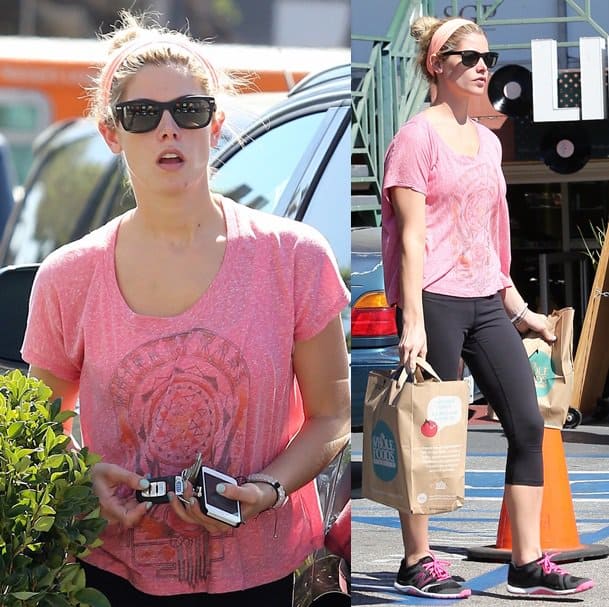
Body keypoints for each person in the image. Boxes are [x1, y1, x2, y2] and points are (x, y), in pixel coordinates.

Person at [21, 10, 350, 606]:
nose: (167, 130)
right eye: (142, 116)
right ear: (111, 134)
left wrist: (268, 490)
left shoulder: (293, 257)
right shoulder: (69, 276)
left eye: (188, 111)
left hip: (270, 576)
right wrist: (83, 476)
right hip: (115, 576)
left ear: (216, 124)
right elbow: (38, 427)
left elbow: (331, 417)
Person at [381, 16, 594, 599]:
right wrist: (414, 321)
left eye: (488, 56)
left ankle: (527, 562)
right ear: (436, 64)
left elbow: (491, 236)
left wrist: (521, 310)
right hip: (436, 300)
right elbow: (414, 238)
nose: (483, 65)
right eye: (468, 56)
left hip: (484, 300)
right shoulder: (415, 139)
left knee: (528, 424)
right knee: (428, 434)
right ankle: (416, 560)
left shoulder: (487, 142)